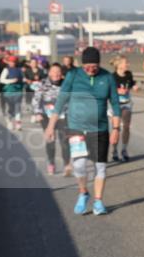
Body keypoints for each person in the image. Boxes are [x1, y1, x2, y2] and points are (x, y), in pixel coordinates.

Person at [47, 46, 121, 216]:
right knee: (79, 166)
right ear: (82, 65)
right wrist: (51, 125)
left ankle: (98, 201)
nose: (91, 70)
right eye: (87, 67)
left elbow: (115, 105)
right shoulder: (73, 76)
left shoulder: (107, 77)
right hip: (76, 128)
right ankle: (83, 193)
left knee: (100, 167)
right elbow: (60, 101)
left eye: (94, 67)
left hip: (100, 129)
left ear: (99, 64)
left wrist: (116, 128)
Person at [32, 63, 71, 175]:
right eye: (53, 71)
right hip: (46, 117)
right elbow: (35, 100)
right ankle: (51, 163)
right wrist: (37, 113)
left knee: (64, 141)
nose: (56, 74)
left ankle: (67, 165)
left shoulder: (66, 85)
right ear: (49, 73)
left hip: (63, 115)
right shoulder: (42, 84)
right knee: (51, 141)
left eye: (58, 72)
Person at [111, 56, 135, 162]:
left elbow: (131, 83)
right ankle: (114, 150)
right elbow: (109, 89)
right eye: (126, 63)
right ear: (119, 65)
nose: (128, 64)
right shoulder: (112, 77)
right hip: (115, 104)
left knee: (126, 127)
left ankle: (124, 150)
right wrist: (117, 91)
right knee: (116, 128)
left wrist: (134, 86)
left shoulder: (129, 74)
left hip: (126, 104)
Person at [0, 56, 25, 129]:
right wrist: (11, 81)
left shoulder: (20, 70)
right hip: (8, 92)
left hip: (18, 91)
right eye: (10, 61)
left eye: (13, 61)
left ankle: (18, 123)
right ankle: (9, 122)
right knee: (11, 108)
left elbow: (23, 79)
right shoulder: (6, 70)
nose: (12, 63)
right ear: (8, 62)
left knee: (18, 107)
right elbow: (2, 80)